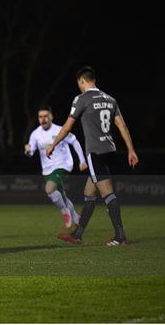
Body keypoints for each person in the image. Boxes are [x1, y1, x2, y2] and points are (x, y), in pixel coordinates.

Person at [47, 66, 138, 246]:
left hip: (95, 152)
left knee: (108, 193)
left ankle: (120, 236)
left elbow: (67, 127)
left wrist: (53, 144)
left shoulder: (82, 99)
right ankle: (77, 234)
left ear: (82, 81)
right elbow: (122, 126)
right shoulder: (110, 99)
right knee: (89, 192)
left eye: (79, 83)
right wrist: (131, 150)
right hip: (110, 150)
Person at [25, 105, 88, 228]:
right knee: (61, 196)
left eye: (45, 116)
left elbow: (74, 141)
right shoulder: (35, 134)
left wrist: (82, 160)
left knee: (49, 189)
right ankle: (76, 218)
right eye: (40, 117)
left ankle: (64, 212)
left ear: (51, 117)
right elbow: (31, 152)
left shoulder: (60, 130)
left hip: (63, 165)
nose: (43, 119)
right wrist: (28, 151)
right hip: (47, 169)